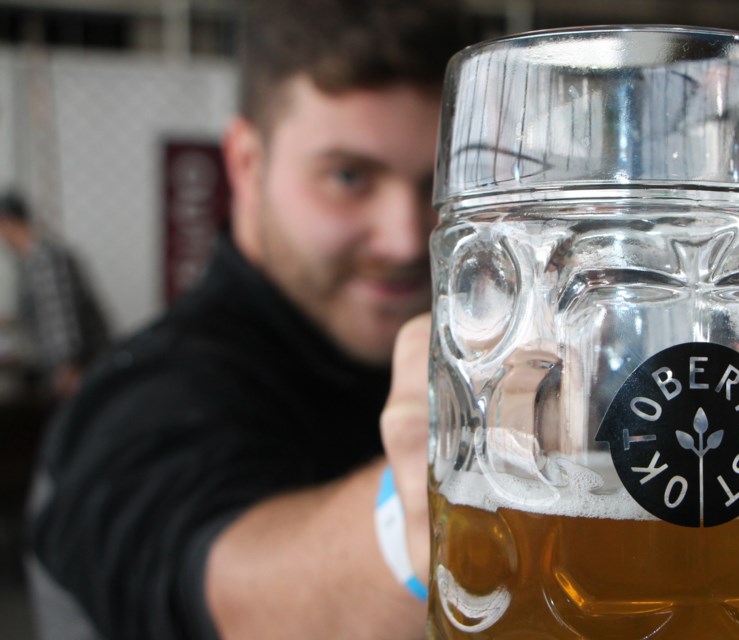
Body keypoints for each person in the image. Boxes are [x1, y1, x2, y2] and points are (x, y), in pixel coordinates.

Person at [25, 0, 469, 638]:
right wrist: (420, 526)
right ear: (245, 164)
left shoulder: (434, 352)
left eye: (436, 184)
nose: (405, 238)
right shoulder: (150, 395)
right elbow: (229, 595)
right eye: (348, 176)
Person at [0, 190, 111, 400]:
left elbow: (58, 313)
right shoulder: (32, 260)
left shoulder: (44, 259)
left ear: (6, 222)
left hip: (80, 368)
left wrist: (67, 367)